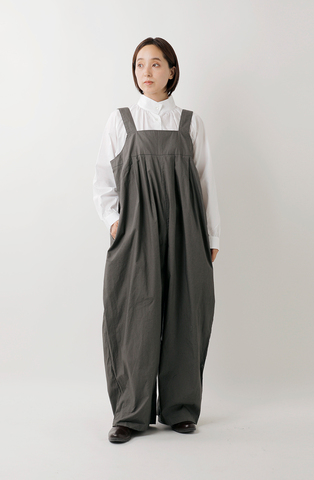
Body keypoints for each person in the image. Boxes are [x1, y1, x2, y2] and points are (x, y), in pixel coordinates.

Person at [92, 37, 221, 443]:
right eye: (139, 64)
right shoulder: (121, 120)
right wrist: (114, 222)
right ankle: (130, 414)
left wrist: (212, 234)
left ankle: (180, 409)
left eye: (155, 63)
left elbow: (206, 183)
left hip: (186, 229)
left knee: (186, 313)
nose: (145, 72)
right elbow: (103, 181)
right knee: (134, 315)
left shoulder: (190, 123)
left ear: (171, 71)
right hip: (136, 230)